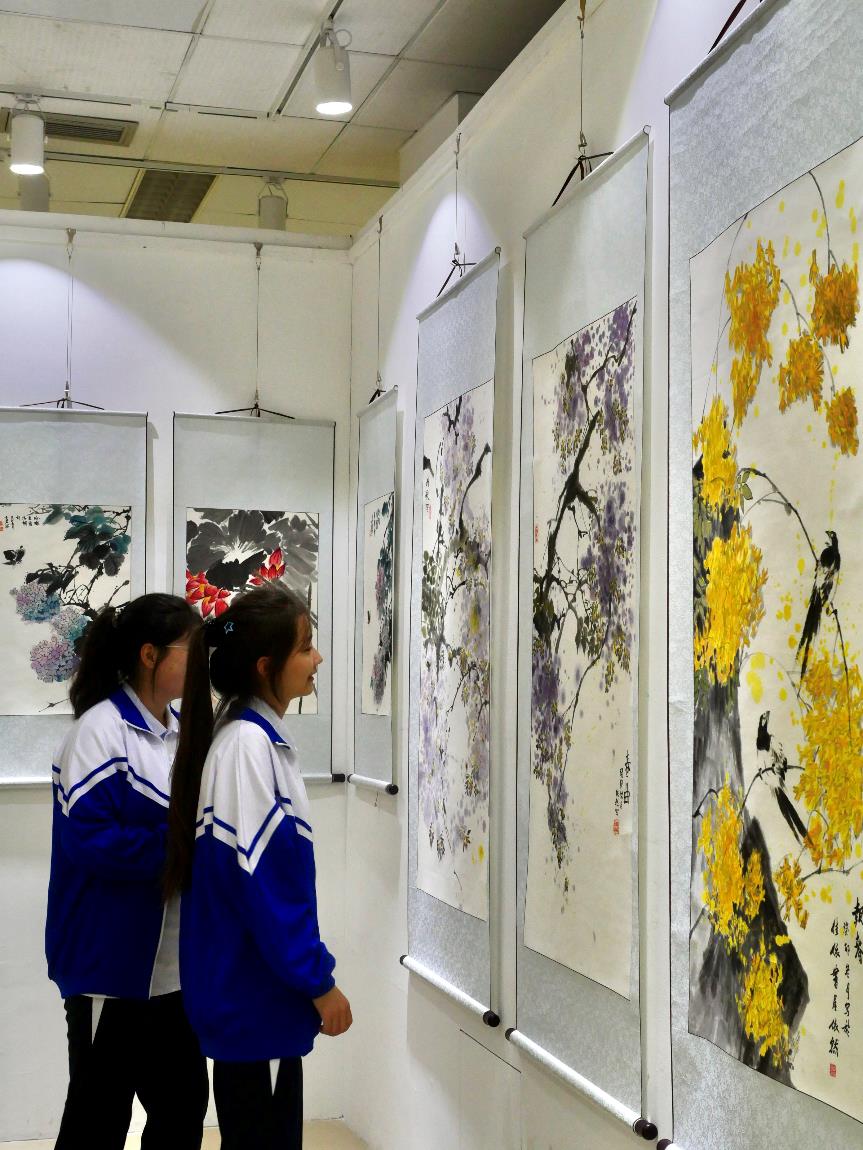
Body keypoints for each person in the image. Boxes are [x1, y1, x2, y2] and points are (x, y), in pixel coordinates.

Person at [165, 581, 352, 1150]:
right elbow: (264, 888)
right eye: (305, 647)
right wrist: (318, 980)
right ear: (266, 666)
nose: (318, 659)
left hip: (255, 995)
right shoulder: (247, 746)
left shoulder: (250, 738)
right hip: (255, 997)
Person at [45, 593, 209, 1149]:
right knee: (97, 1120)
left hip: (171, 973)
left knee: (183, 1109)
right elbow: (91, 842)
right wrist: (182, 849)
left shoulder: (183, 730)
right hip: (109, 969)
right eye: (191, 649)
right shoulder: (100, 731)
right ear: (149, 655)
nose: (201, 663)